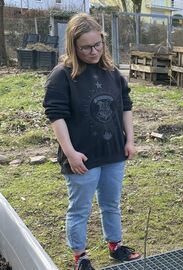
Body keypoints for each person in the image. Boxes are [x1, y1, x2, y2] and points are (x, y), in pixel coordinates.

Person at [43, 13, 141, 270]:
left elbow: (125, 107)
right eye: (86, 47)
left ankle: (115, 246)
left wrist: (129, 140)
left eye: (98, 44)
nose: (94, 51)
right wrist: (71, 153)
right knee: (80, 210)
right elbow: (56, 116)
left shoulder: (112, 72)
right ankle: (80, 258)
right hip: (82, 158)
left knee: (111, 204)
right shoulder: (62, 75)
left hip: (113, 153)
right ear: (73, 46)